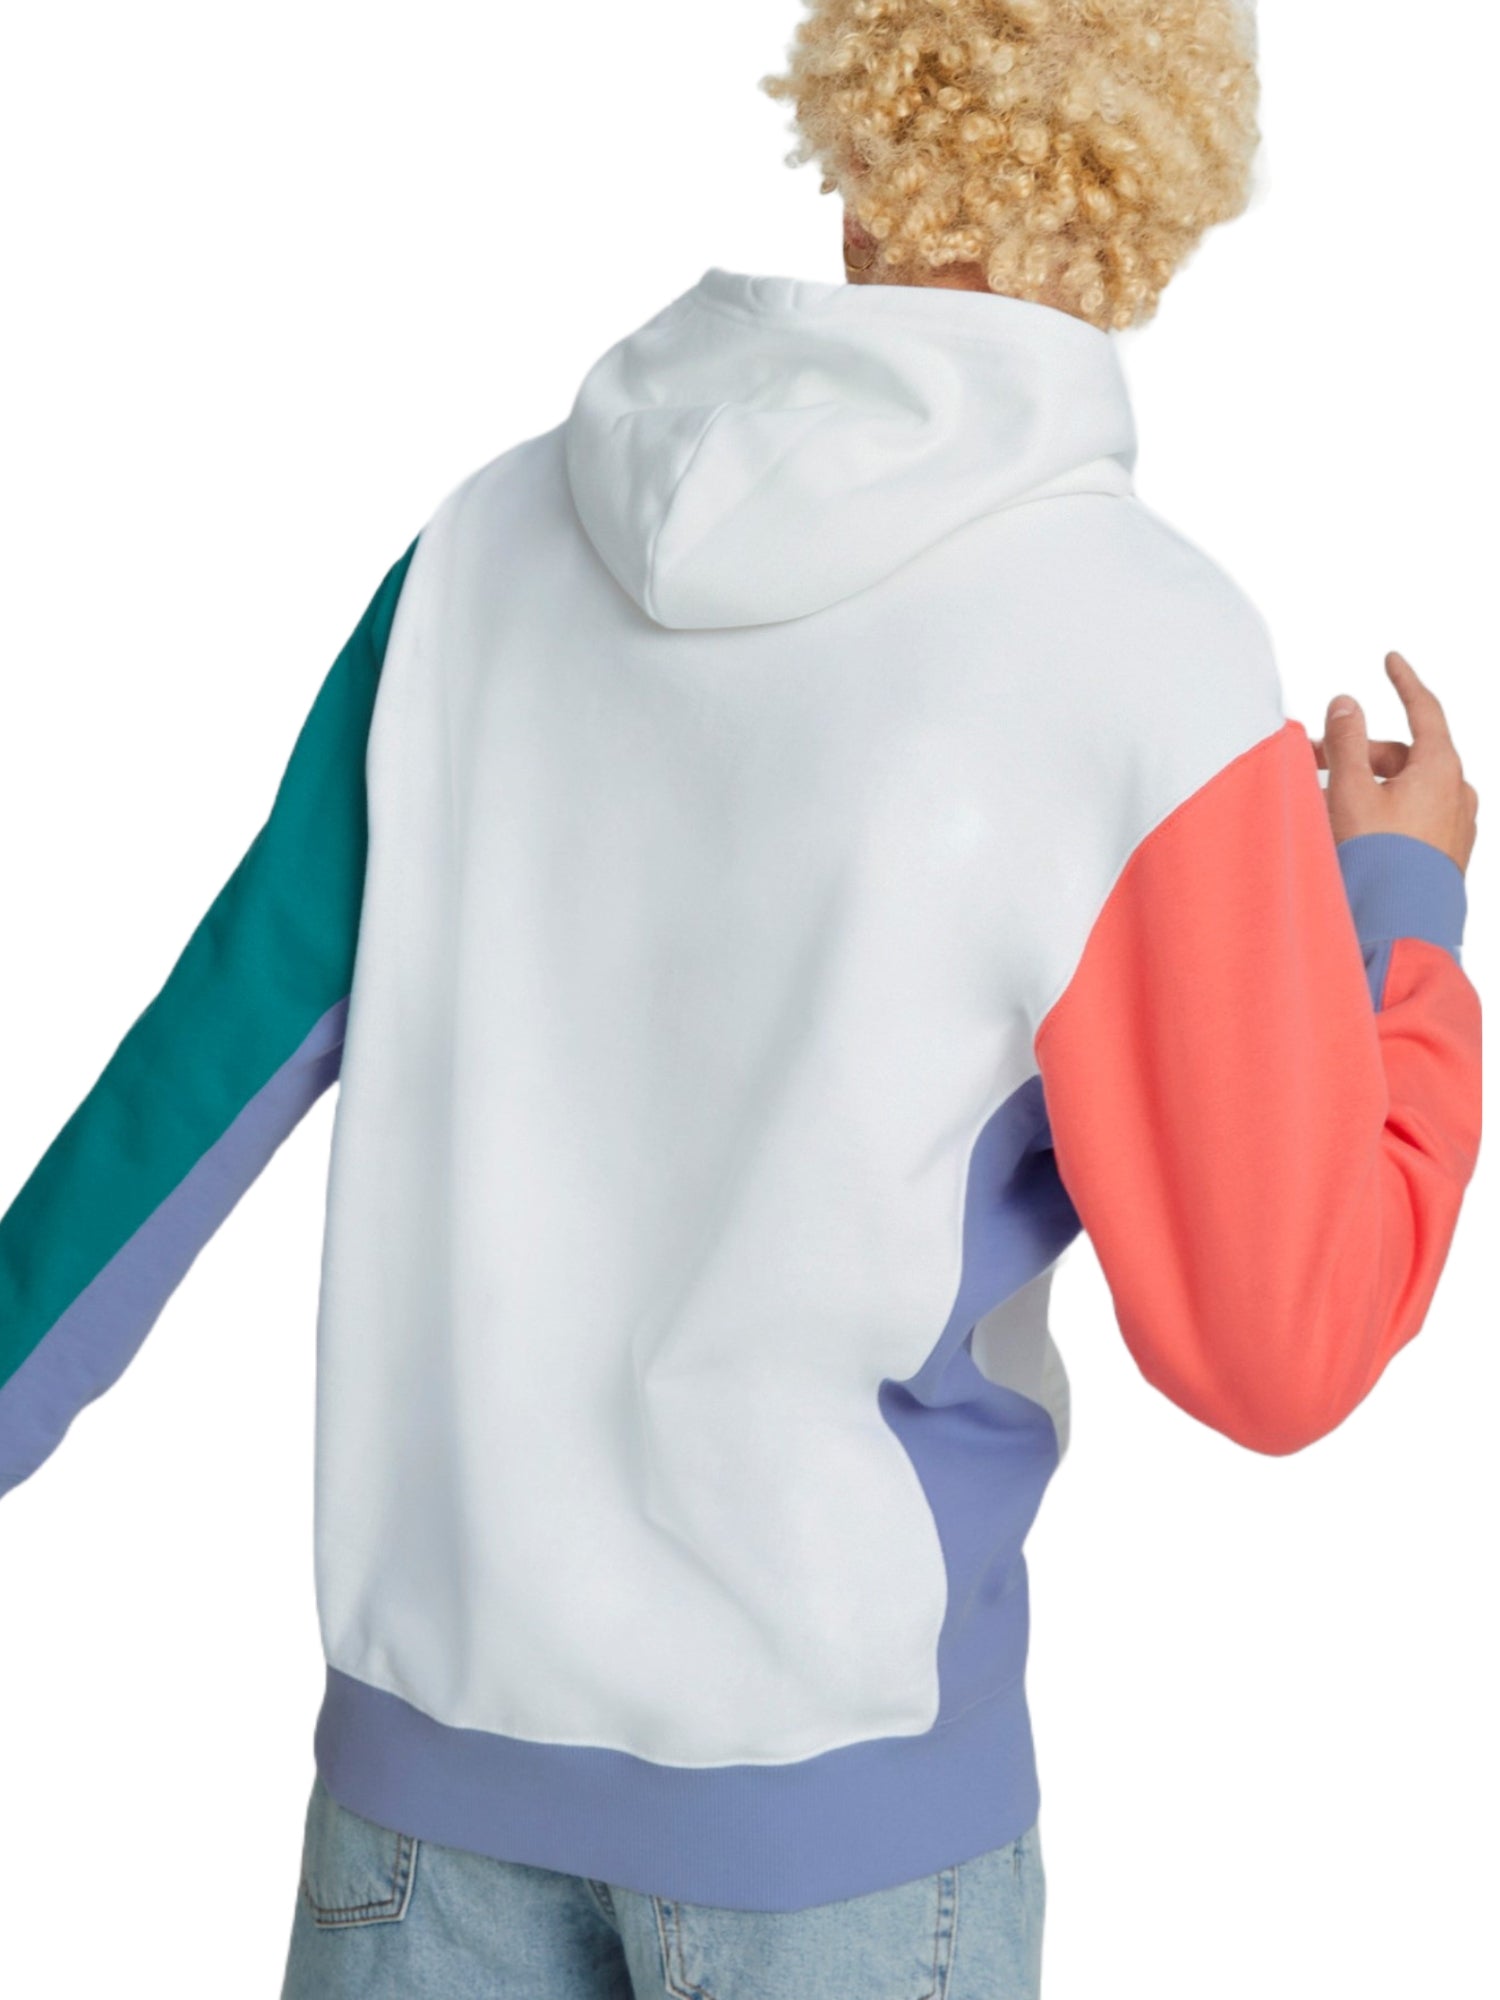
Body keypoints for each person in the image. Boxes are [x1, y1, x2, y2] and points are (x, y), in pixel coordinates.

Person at [0, 2, 1481, 1995]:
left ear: (854, 141)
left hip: (420, 1798)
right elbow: (1278, 1345)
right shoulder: (1144, 656)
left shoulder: (486, 543)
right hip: (841, 1834)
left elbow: (203, 1073)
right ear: (1155, 212)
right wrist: (1395, 915)